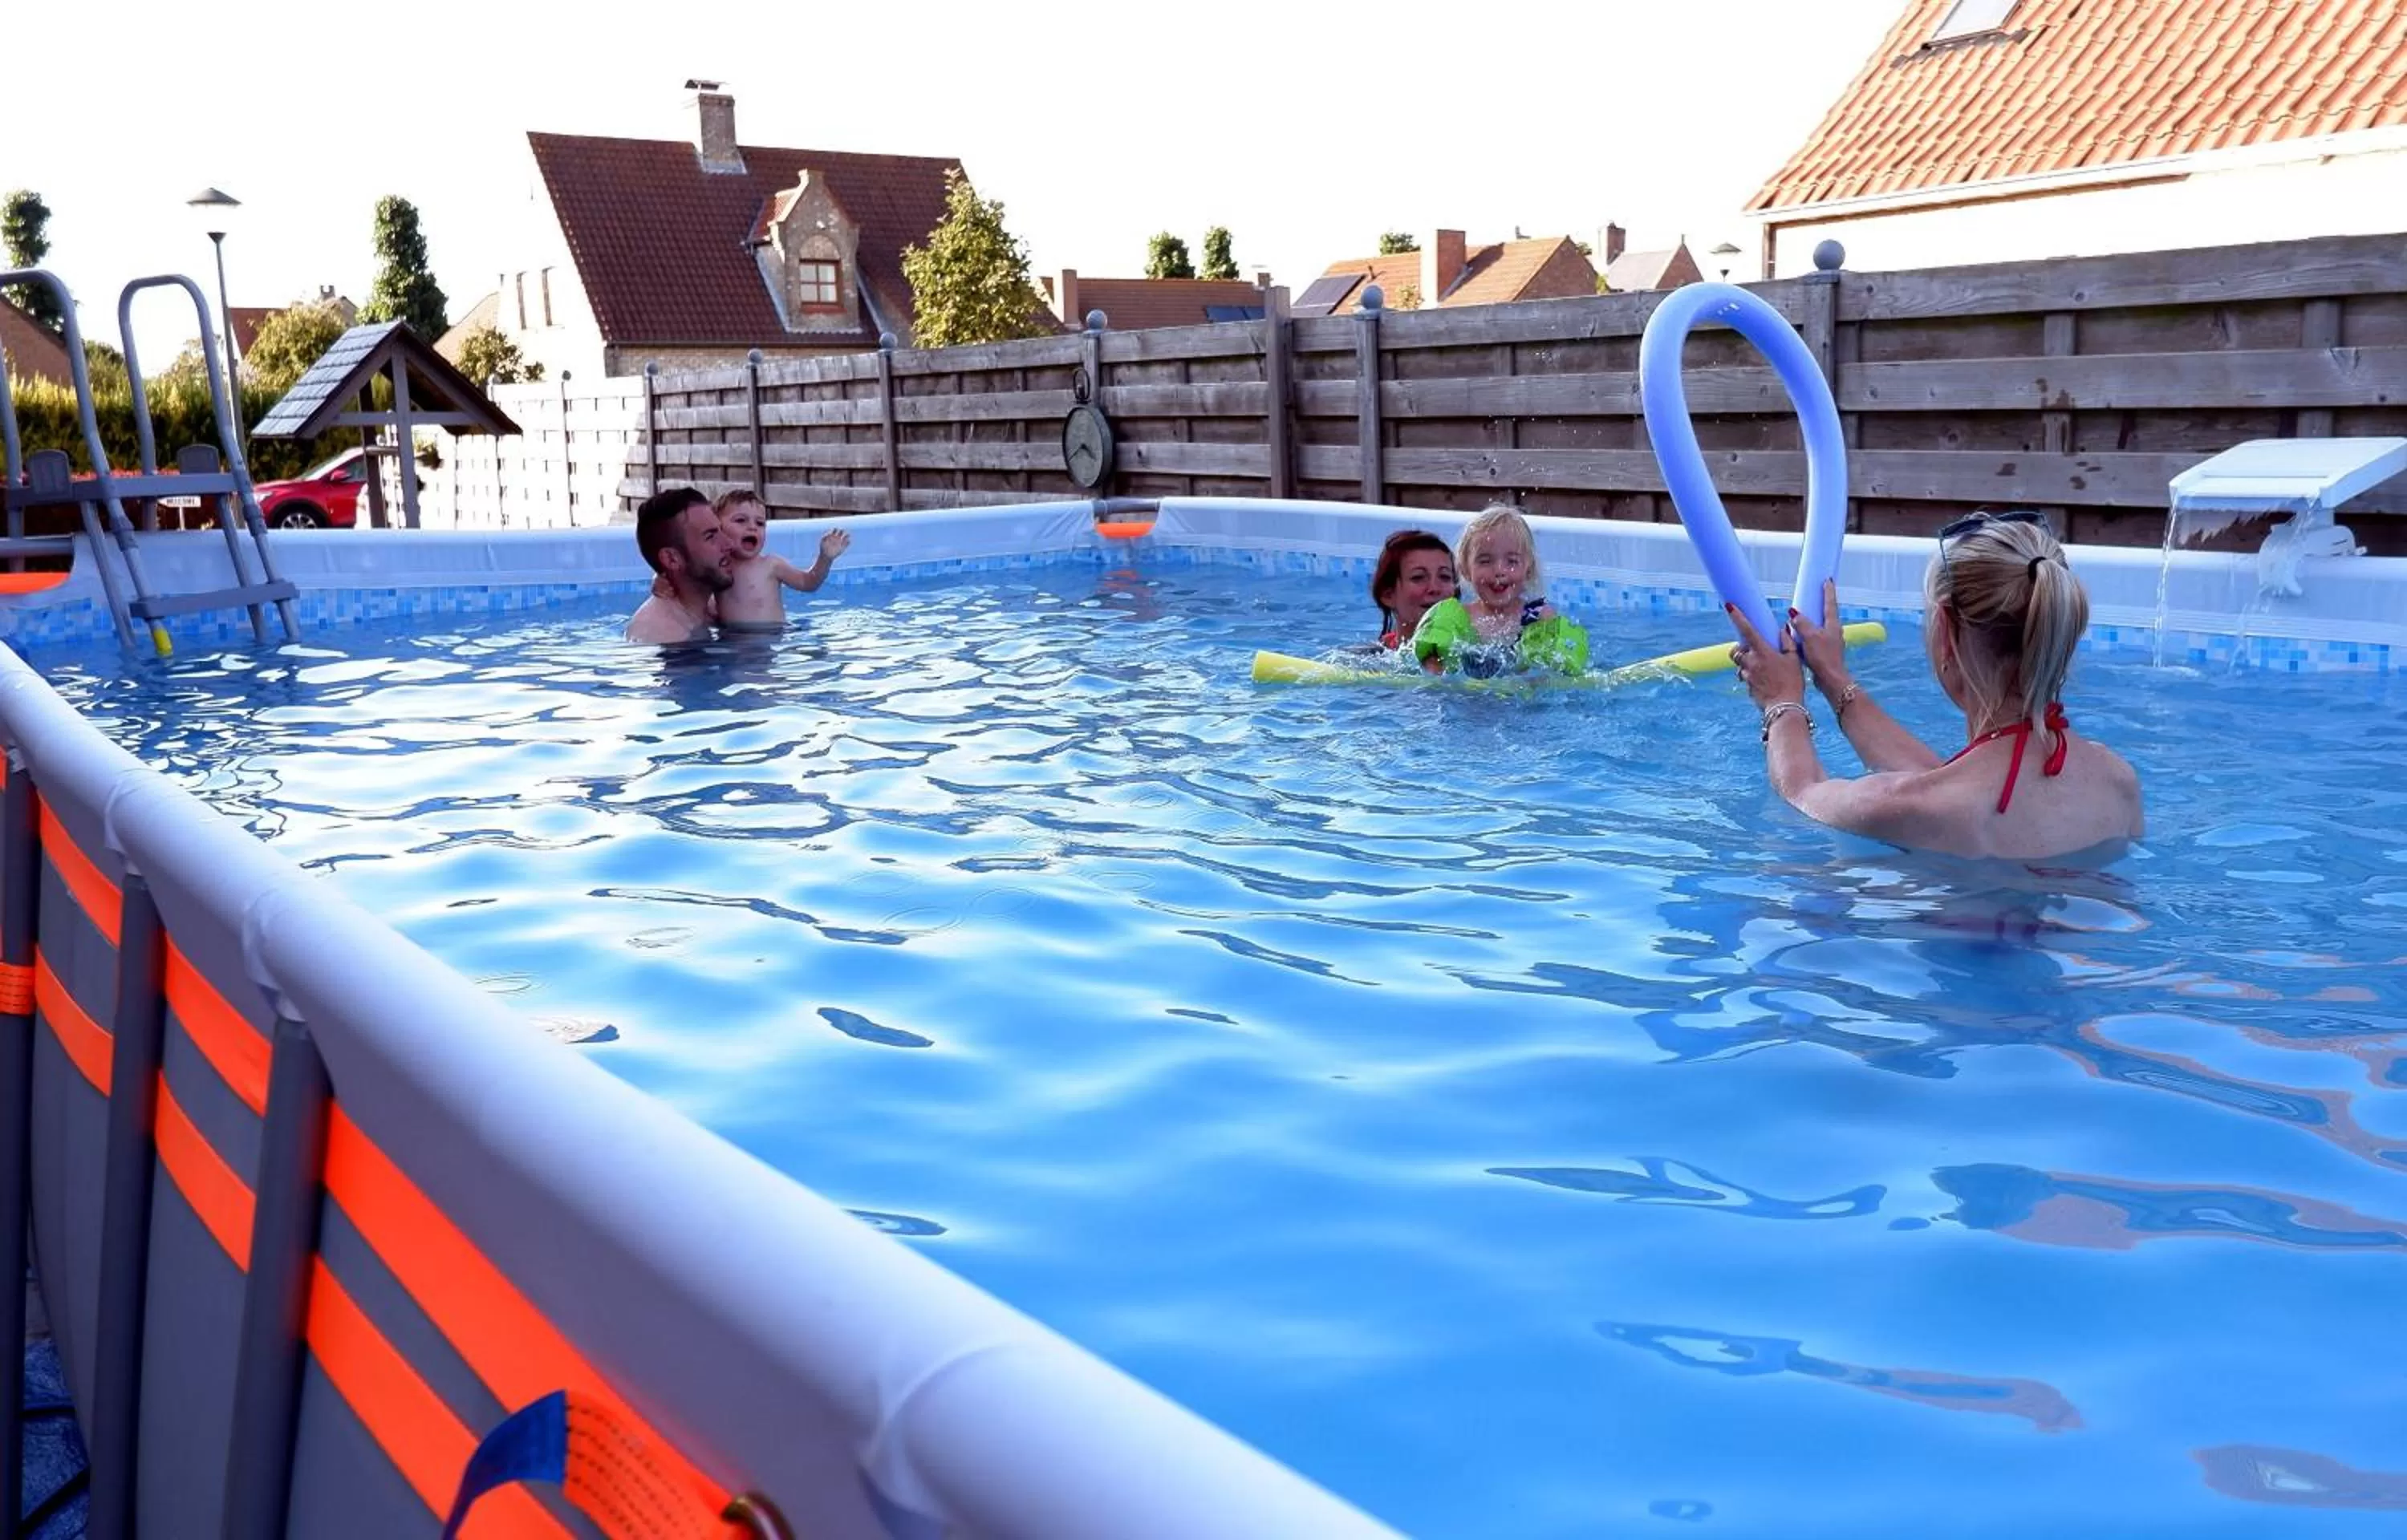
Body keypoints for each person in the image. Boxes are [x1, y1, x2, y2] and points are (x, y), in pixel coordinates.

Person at [1727, 509, 2144, 860]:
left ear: (1945, 629)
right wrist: (1834, 680)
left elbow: (1801, 791)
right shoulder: (2116, 781)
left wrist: (1780, 701)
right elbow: (1950, 780)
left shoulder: (1916, 807)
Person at [1411, 505, 1589, 675]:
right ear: (1465, 569)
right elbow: (1433, 677)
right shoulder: (1457, 618)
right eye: (1485, 561)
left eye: (1511, 561)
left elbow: (1544, 680)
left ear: (1528, 569)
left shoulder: (1537, 618)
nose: (1499, 571)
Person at [712, 491, 852, 634]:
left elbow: (809, 583)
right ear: (717, 527)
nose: (752, 527)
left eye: (760, 523)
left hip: (774, 637)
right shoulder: (716, 569)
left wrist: (825, 558)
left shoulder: (771, 565)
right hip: (732, 642)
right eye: (741, 520)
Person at [625, 487, 733, 644]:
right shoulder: (663, 635)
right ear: (672, 559)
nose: (729, 544)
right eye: (710, 537)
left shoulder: (707, 609)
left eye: (721, 530)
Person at [1370, 529, 1458, 650]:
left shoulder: (1478, 655)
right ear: (1388, 595)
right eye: (1418, 577)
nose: (1435, 588)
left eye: (1445, 576)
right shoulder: (1364, 661)